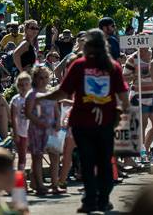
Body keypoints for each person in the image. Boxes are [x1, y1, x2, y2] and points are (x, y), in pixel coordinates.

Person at [37, 29, 129, 213]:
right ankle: (103, 200)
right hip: (105, 122)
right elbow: (124, 98)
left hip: (82, 122)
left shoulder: (79, 66)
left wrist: (41, 98)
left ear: (88, 46)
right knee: (104, 162)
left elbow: (63, 93)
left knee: (87, 161)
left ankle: (90, 200)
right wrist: (118, 113)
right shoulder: (113, 67)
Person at [26, 66, 60, 195]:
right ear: (35, 78)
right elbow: (29, 113)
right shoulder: (32, 94)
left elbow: (56, 109)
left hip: (51, 129)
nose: (44, 80)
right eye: (41, 78)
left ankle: (54, 184)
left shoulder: (50, 92)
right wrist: (41, 123)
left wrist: (58, 122)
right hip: (37, 130)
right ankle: (40, 185)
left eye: (46, 77)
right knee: (38, 157)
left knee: (55, 156)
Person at [9, 73, 31, 172]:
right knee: (22, 157)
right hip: (21, 131)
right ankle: (21, 179)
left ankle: (33, 179)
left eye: (26, 84)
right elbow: (13, 117)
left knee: (35, 155)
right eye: (21, 85)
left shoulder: (32, 98)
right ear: (18, 86)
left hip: (31, 131)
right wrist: (15, 132)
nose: (24, 87)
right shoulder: (16, 100)